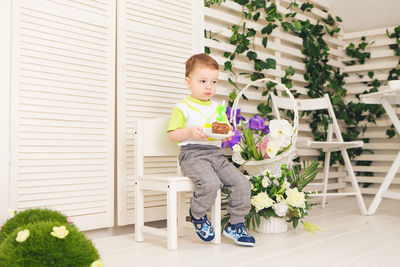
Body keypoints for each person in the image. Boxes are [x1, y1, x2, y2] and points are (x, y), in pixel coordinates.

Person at [167, 53, 255, 247]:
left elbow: (225, 129)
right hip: (193, 155)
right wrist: (190, 131)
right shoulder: (182, 107)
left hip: (216, 155)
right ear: (188, 82)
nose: (209, 86)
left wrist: (228, 131)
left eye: (213, 82)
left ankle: (235, 224)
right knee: (210, 183)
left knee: (241, 183)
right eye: (203, 81)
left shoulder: (218, 108)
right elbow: (172, 135)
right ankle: (197, 215)